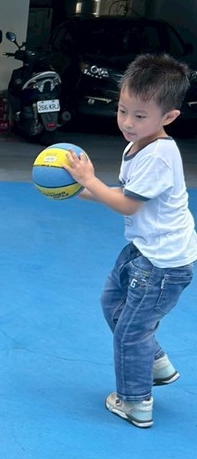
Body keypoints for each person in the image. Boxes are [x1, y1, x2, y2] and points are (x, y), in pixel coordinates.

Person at [66, 53, 197, 428]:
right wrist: (77, 190)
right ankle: (155, 363)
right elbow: (125, 193)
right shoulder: (137, 145)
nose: (127, 122)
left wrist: (89, 180)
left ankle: (136, 403)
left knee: (130, 332)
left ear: (168, 117)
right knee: (112, 302)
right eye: (123, 110)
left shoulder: (160, 155)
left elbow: (127, 205)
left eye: (139, 116)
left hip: (163, 264)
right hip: (145, 249)